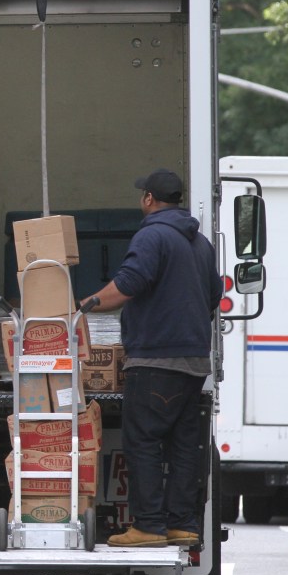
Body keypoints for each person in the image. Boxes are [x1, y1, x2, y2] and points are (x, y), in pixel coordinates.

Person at [82, 169, 222, 549]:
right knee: (181, 444)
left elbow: (128, 284)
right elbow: (213, 295)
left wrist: (85, 306)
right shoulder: (200, 242)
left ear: (148, 199)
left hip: (156, 361)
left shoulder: (152, 234)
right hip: (193, 362)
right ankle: (182, 524)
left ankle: (148, 526)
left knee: (142, 440)